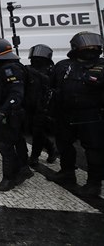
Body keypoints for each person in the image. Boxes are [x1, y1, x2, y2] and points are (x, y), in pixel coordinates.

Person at [48, 32, 104, 198]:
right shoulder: (63, 65)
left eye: (94, 45)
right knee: (64, 144)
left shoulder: (101, 65)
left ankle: (94, 183)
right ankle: (67, 172)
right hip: (65, 113)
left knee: (94, 149)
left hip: (91, 114)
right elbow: (52, 85)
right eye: (86, 45)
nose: (90, 48)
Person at [0, 38, 32, 191]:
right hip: (0, 112)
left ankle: (9, 178)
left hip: (10, 114)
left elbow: (16, 94)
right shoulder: (0, 68)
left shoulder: (11, 69)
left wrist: (3, 112)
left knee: (6, 145)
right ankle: (22, 169)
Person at [24, 44, 57, 166]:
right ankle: (50, 147)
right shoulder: (27, 69)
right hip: (28, 103)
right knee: (33, 131)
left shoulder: (51, 70)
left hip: (43, 106)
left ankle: (35, 156)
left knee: (38, 132)